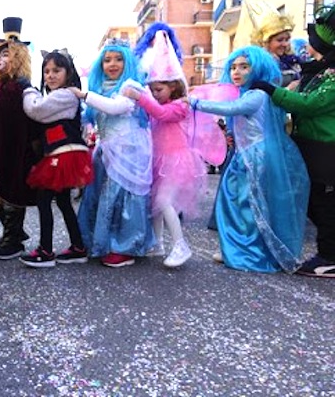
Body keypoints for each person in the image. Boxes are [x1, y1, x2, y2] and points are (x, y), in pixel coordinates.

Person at [191, 45, 310, 273]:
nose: (237, 72)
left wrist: (196, 103)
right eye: (234, 67)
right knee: (239, 201)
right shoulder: (251, 93)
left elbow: (233, 108)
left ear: (258, 69)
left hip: (255, 157)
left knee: (248, 203)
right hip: (246, 155)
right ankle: (238, 247)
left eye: (245, 67)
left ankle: (249, 252)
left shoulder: (256, 95)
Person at [250, 5, 335, 278]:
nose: (305, 48)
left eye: (312, 44)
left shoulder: (331, 76)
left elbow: (311, 104)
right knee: (313, 199)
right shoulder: (319, 71)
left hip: (326, 149)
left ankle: (330, 257)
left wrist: (272, 91)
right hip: (311, 145)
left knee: (322, 203)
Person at [124, 30, 206, 268]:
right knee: (155, 203)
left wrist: (140, 97)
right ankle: (157, 242)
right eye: (153, 90)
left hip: (177, 162)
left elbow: (161, 114)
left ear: (173, 86)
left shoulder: (181, 105)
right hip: (160, 161)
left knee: (163, 200)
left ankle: (180, 245)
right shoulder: (161, 102)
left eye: (159, 90)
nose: (155, 95)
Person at [70, 39, 155, 267]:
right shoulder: (101, 87)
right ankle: (97, 243)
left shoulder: (132, 86)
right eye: (107, 60)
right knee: (99, 196)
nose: (112, 64)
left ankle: (125, 247)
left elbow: (116, 108)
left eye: (118, 59)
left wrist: (83, 95)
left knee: (122, 197)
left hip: (129, 153)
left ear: (128, 62)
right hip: (107, 151)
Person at [18, 49, 93, 268]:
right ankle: (78, 247)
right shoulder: (60, 95)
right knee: (62, 201)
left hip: (63, 154)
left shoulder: (65, 95)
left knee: (44, 200)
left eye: (56, 70)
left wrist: (28, 90)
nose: (50, 75)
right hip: (62, 153)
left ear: (68, 73)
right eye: (47, 71)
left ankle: (45, 251)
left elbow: (35, 110)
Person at [0, 17, 41, 260]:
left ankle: (13, 237)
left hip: (17, 151)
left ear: (18, 58)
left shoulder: (22, 88)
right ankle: (13, 232)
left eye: (6, 55)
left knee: (12, 194)